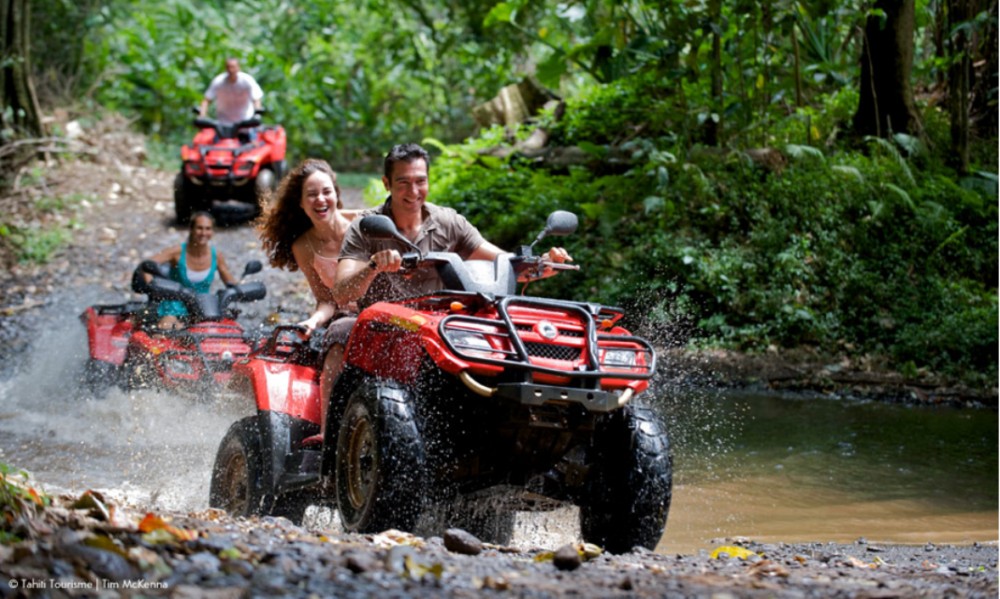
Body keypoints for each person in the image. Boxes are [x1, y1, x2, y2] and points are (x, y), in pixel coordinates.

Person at [328, 142, 571, 384]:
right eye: (403, 182)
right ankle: (331, 422)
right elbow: (341, 293)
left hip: (441, 328)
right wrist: (373, 267)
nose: (413, 192)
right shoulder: (366, 226)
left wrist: (543, 263)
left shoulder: (449, 222)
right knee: (339, 332)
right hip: (382, 327)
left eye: (420, 181)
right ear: (386, 183)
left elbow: (503, 263)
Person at [258, 158, 362, 405]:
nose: (321, 200)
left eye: (327, 192)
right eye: (312, 194)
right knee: (337, 337)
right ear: (302, 204)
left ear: (336, 194)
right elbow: (326, 300)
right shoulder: (302, 246)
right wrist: (313, 321)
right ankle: (327, 432)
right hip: (343, 318)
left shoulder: (361, 224)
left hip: (380, 306)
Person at [146, 211, 237, 330]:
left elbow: (231, 283)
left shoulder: (216, 256)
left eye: (208, 229)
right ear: (191, 229)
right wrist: (152, 286)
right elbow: (146, 266)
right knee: (166, 328)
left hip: (203, 308)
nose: (204, 233)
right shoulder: (176, 252)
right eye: (199, 228)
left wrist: (243, 290)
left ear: (212, 232)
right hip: (173, 308)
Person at [200, 58, 264, 137]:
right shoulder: (219, 82)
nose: (231, 70)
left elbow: (256, 98)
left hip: (245, 123)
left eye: (233, 67)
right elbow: (206, 100)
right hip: (223, 124)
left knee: (253, 143)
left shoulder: (247, 81)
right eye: (228, 67)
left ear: (238, 67)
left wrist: (257, 114)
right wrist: (202, 115)